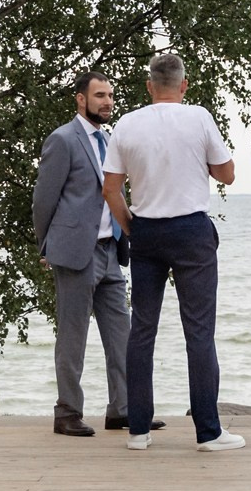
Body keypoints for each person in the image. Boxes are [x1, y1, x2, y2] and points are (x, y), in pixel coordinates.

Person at [102, 49, 243, 452]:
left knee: (142, 330)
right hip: (190, 231)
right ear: (183, 85)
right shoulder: (198, 116)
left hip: (146, 230)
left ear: (149, 86)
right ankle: (208, 431)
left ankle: (139, 431)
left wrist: (130, 226)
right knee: (199, 331)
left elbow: (111, 188)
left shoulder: (127, 123)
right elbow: (228, 174)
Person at [31, 71, 131, 436]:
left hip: (111, 251)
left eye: (110, 95)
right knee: (73, 337)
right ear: (80, 99)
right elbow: (44, 201)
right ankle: (67, 411)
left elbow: (114, 194)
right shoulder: (63, 140)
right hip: (75, 253)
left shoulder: (108, 140)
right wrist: (47, 247)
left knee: (122, 334)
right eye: (99, 95)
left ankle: (122, 409)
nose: (107, 102)